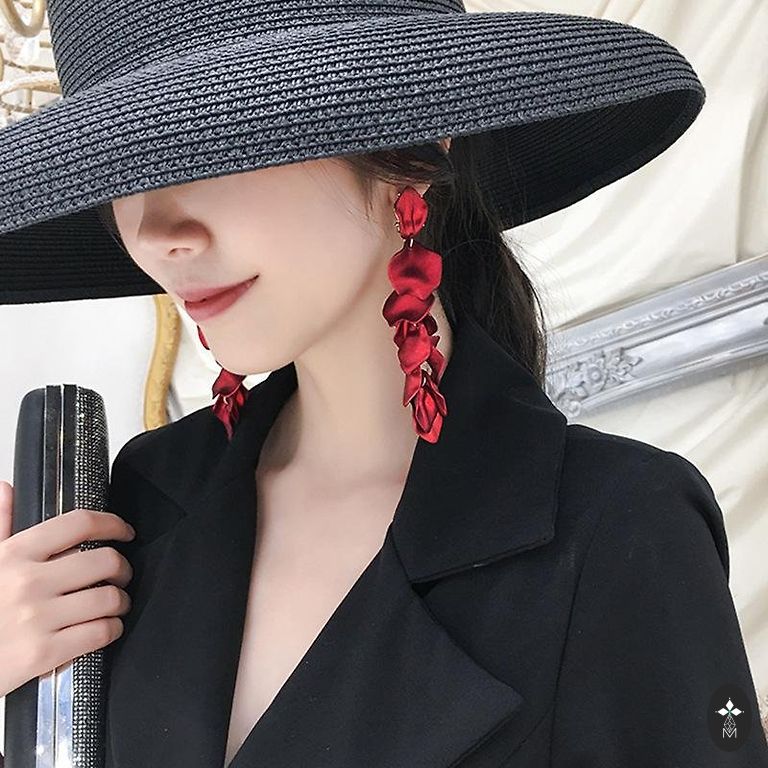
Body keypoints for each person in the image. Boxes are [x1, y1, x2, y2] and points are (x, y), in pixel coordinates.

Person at [0, 1, 766, 766]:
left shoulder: (620, 526)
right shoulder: (145, 499)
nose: (157, 233)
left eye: (214, 143)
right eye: (121, 173)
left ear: (417, 145)